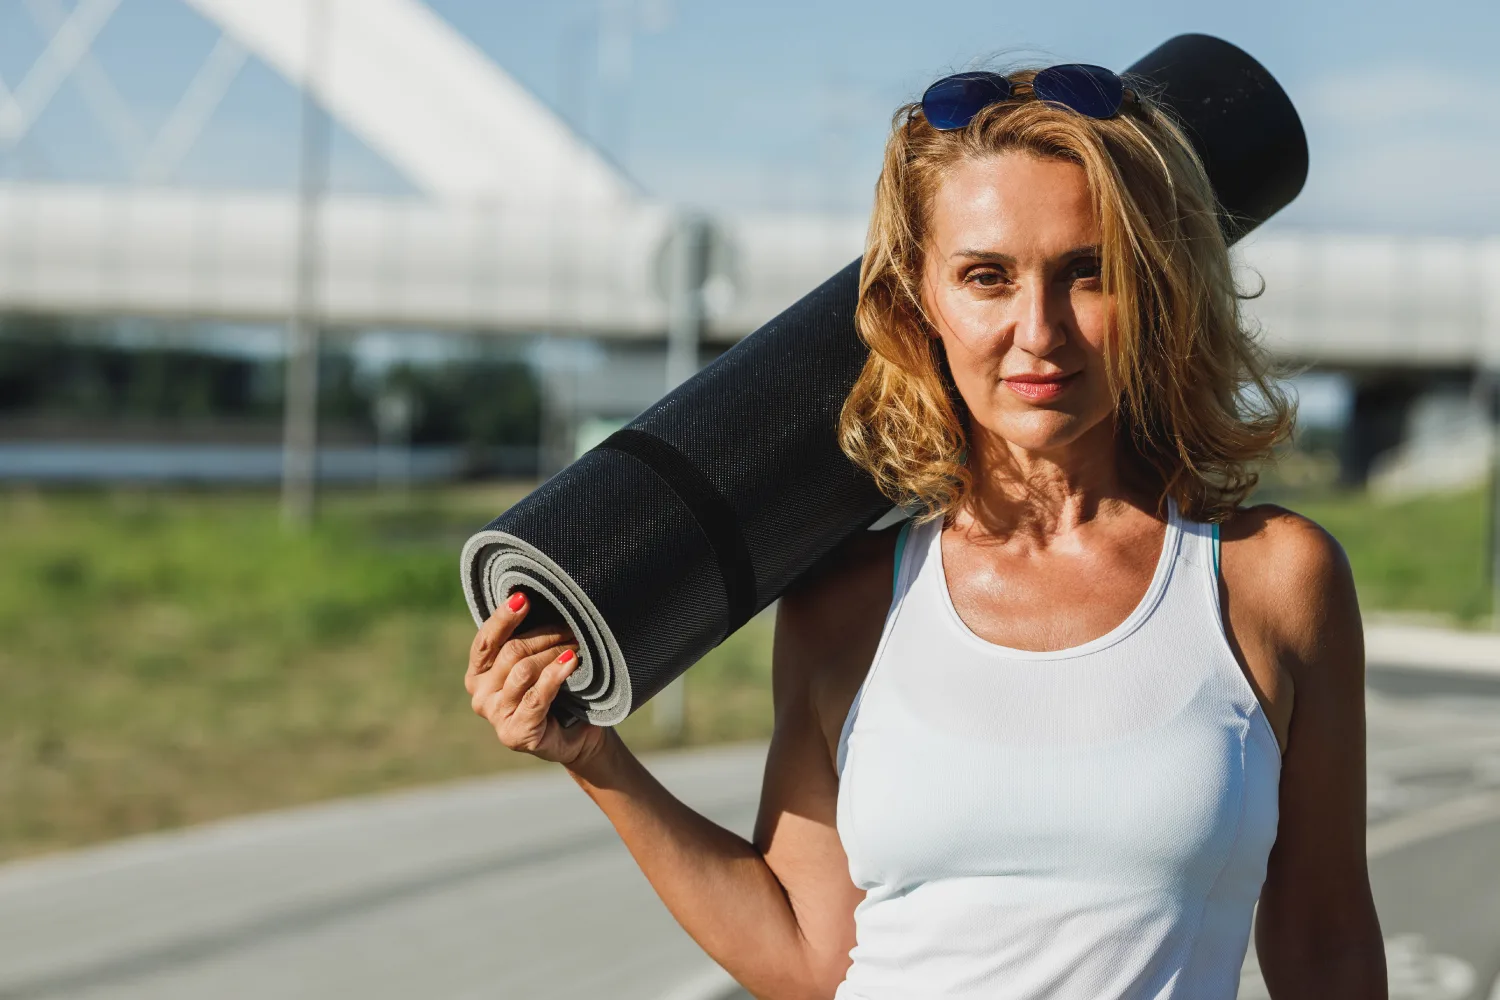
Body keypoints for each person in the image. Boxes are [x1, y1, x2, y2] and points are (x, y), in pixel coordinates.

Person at [464, 65, 1386, 999]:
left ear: (1156, 288)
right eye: (987, 277)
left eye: (1088, 272)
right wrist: (596, 760)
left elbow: (1328, 942)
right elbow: (809, 959)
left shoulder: (1271, 582)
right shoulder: (848, 602)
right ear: (922, 302)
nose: (1039, 330)